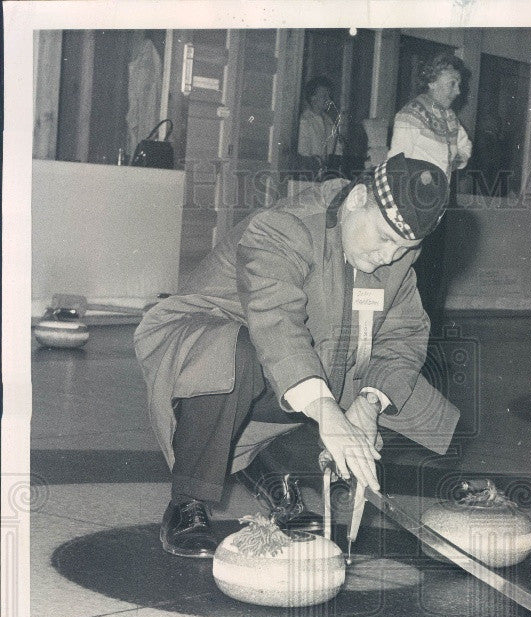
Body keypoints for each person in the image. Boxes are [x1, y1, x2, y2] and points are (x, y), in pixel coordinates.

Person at [134, 154, 458, 558]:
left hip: (292, 361)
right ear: (358, 198)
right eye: (385, 238)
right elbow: (277, 326)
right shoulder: (285, 227)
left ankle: (269, 465)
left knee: (401, 399)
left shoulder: (395, 255)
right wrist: (329, 412)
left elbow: (403, 337)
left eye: (405, 248)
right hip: (203, 342)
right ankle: (187, 501)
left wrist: (369, 405)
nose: (389, 257)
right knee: (239, 356)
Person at [389, 52, 472, 331]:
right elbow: (395, 161)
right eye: (453, 84)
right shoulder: (410, 114)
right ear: (434, 82)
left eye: (459, 85)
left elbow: (465, 147)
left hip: (441, 203)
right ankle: (403, 330)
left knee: (434, 269)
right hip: (414, 204)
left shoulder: (449, 118)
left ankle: (425, 331)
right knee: (413, 266)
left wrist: (455, 160)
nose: (458, 92)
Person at [296, 75, 343, 180]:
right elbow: (303, 154)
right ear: (313, 98)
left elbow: (336, 151)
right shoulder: (305, 121)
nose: (329, 100)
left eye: (330, 96)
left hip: (326, 176)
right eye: (325, 96)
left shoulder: (329, 121)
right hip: (309, 176)